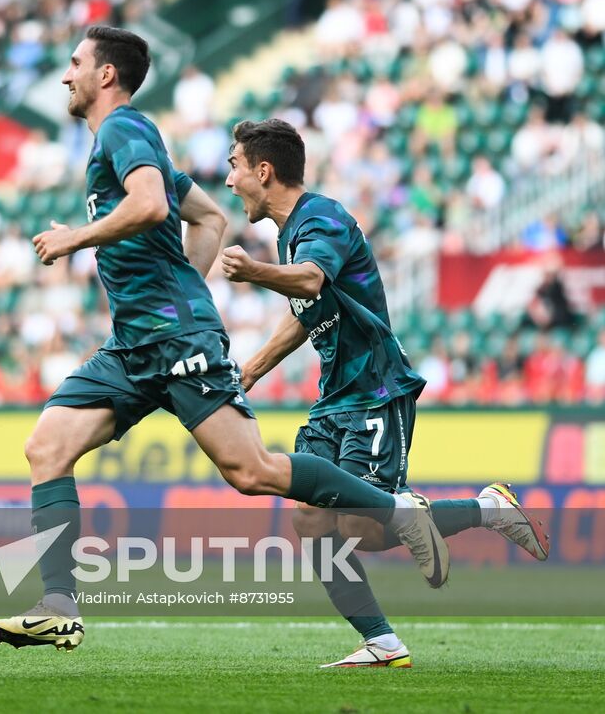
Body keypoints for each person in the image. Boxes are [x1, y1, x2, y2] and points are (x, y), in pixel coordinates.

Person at [0, 27, 447, 654]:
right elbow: (208, 217)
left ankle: (400, 515)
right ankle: (59, 605)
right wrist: (183, 284)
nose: (66, 76)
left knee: (251, 472)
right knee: (47, 448)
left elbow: (149, 207)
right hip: (135, 343)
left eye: (74, 64)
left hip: (173, 340)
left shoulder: (124, 129)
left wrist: (78, 239)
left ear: (106, 75)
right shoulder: (125, 144)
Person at [221, 118, 550, 668]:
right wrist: (252, 369)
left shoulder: (320, 218)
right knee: (308, 518)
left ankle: (488, 509)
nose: (229, 180)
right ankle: (381, 640)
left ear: (263, 170)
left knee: (360, 528)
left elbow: (310, 281)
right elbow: (309, 313)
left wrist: (254, 271)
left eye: (234, 166)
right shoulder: (292, 230)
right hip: (334, 397)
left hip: (375, 389)